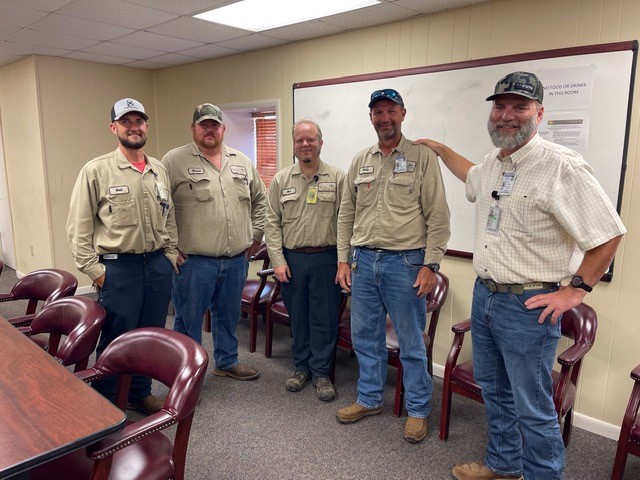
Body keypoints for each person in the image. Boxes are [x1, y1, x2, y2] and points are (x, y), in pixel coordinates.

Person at [416, 71, 626, 480]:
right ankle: (503, 463)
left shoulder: (560, 165)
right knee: (495, 394)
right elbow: (470, 175)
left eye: (519, 107)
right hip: (486, 297)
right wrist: (441, 149)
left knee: (532, 406)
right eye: (500, 106)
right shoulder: (494, 163)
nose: (507, 115)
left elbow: (608, 234)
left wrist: (575, 291)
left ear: (539, 113)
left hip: (528, 307)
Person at [335, 88, 451, 443]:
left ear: (403, 113)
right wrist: (343, 259)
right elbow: (347, 214)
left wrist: (431, 264)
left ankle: (418, 410)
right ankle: (369, 398)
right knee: (365, 337)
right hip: (364, 262)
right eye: (377, 112)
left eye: (391, 111)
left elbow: (439, 215)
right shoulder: (361, 160)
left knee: (411, 342)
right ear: (370, 117)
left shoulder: (422, 157)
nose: (384, 118)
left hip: (406, 263)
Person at [67, 97, 177, 414]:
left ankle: (139, 392)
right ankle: (105, 399)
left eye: (139, 121)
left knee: (151, 335)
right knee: (117, 336)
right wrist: (96, 272)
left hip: (157, 265)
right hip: (119, 269)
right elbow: (78, 228)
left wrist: (169, 255)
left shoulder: (158, 169)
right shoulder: (96, 171)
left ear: (146, 126)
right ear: (114, 127)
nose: (134, 127)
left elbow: (169, 218)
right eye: (126, 122)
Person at [162, 103, 266, 381]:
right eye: (203, 125)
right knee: (188, 321)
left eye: (214, 125)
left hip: (235, 261)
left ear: (223, 128)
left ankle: (227, 361)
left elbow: (260, 201)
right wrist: (170, 247)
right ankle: (186, 376)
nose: (209, 129)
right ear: (193, 128)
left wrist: (255, 236)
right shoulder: (174, 161)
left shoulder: (242, 161)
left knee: (227, 315)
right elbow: (159, 207)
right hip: (194, 262)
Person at [264, 120, 346, 401]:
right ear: (294, 145)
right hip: (292, 260)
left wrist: (344, 261)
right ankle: (301, 368)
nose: (305, 144)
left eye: (310, 139)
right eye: (300, 140)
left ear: (320, 143)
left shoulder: (338, 178)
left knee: (323, 318)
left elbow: (347, 222)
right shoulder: (281, 179)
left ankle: (322, 372)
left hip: (327, 259)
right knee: (298, 316)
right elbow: (271, 222)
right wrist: (277, 260)